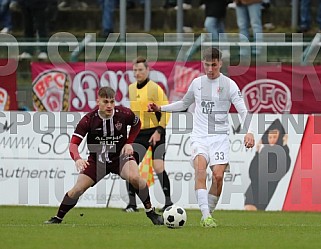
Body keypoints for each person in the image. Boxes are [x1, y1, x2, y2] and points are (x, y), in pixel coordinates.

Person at [148, 47, 255, 227]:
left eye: (214, 65)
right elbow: (184, 103)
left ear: (220, 63)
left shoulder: (229, 85)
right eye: (207, 65)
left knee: (218, 176)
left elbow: (243, 110)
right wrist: (161, 108)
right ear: (203, 64)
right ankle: (206, 217)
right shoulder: (197, 83)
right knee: (200, 170)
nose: (210, 69)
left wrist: (249, 131)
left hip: (220, 137)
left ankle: (208, 212)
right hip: (200, 136)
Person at [44, 86, 164, 225]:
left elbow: (137, 124)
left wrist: (129, 143)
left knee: (135, 177)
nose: (109, 105)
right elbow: (73, 144)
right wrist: (77, 158)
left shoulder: (123, 113)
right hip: (97, 161)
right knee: (77, 189)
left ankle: (151, 212)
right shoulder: (88, 120)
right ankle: (58, 218)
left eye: (112, 102)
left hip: (120, 157)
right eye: (105, 102)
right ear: (98, 101)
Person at [123, 56, 173, 213]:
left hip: (155, 131)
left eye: (140, 70)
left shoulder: (155, 88)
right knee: (130, 167)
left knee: (158, 166)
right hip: (139, 132)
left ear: (148, 70)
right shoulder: (131, 88)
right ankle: (132, 204)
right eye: (135, 70)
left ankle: (168, 202)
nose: (137, 73)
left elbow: (166, 110)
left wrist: (159, 130)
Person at [244, 119, 291, 211]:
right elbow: (253, 170)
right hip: (254, 185)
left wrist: (284, 146)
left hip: (267, 188)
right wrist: (258, 152)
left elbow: (283, 169)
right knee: (249, 207)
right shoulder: (262, 150)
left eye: (275, 137)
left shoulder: (284, 152)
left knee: (258, 210)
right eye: (270, 137)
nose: (272, 140)